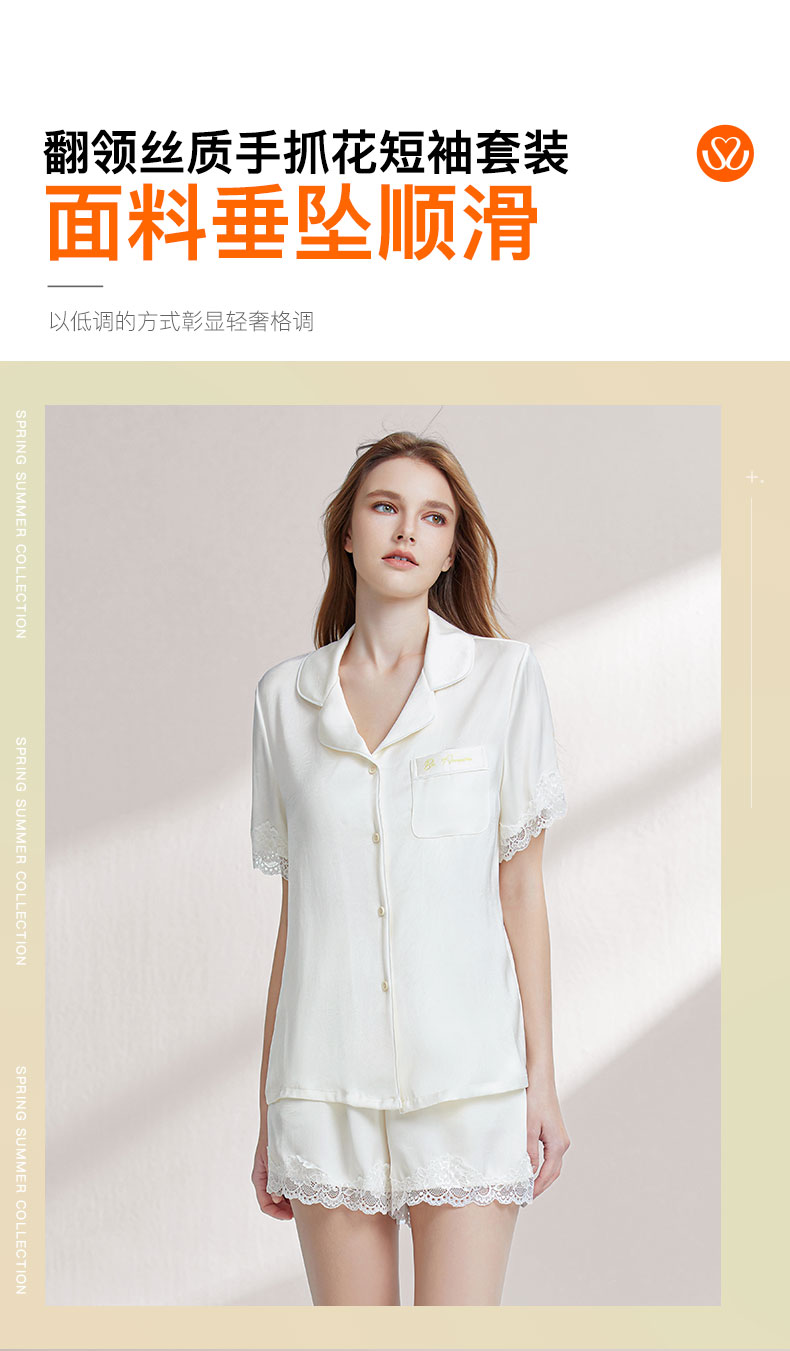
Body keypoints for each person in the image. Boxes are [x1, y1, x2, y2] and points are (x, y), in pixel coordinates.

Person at [249, 430, 571, 1306]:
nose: (406, 530)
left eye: (433, 517)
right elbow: (298, 917)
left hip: (470, 1082)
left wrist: (541, 1080)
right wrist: (270, 1106)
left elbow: (521, 892)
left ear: (450, 549)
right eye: (385, 506)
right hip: (323, 1089)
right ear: (347, 532)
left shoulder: (505, 680)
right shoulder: (283, 701)